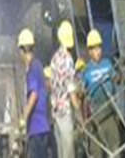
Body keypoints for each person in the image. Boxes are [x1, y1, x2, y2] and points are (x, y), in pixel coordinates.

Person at [82, 29, 122, 158]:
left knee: (115, 146)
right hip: (96, 113)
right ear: (89, 51)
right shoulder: (86, 71)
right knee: (97, 150)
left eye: (99, 47)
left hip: (110, 110)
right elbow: (82, 93)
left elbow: (117, 80)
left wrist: (120, 73)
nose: (97, 51)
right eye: (94, 49)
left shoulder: (107, 64)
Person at [18, 29, 51, 158]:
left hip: (37, 127)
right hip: (41, 127)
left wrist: (24, 117)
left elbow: (34, 94)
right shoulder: (37, 66)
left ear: (22, 50)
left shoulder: (33, 67)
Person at [50, 20, 79, 158]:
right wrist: (78, 110)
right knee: (69, 153)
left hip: (56, 113)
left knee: (61, 153)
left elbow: (52, 85)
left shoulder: (54, 59)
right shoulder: (68, 59)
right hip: (65, 112)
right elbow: (71, 88)